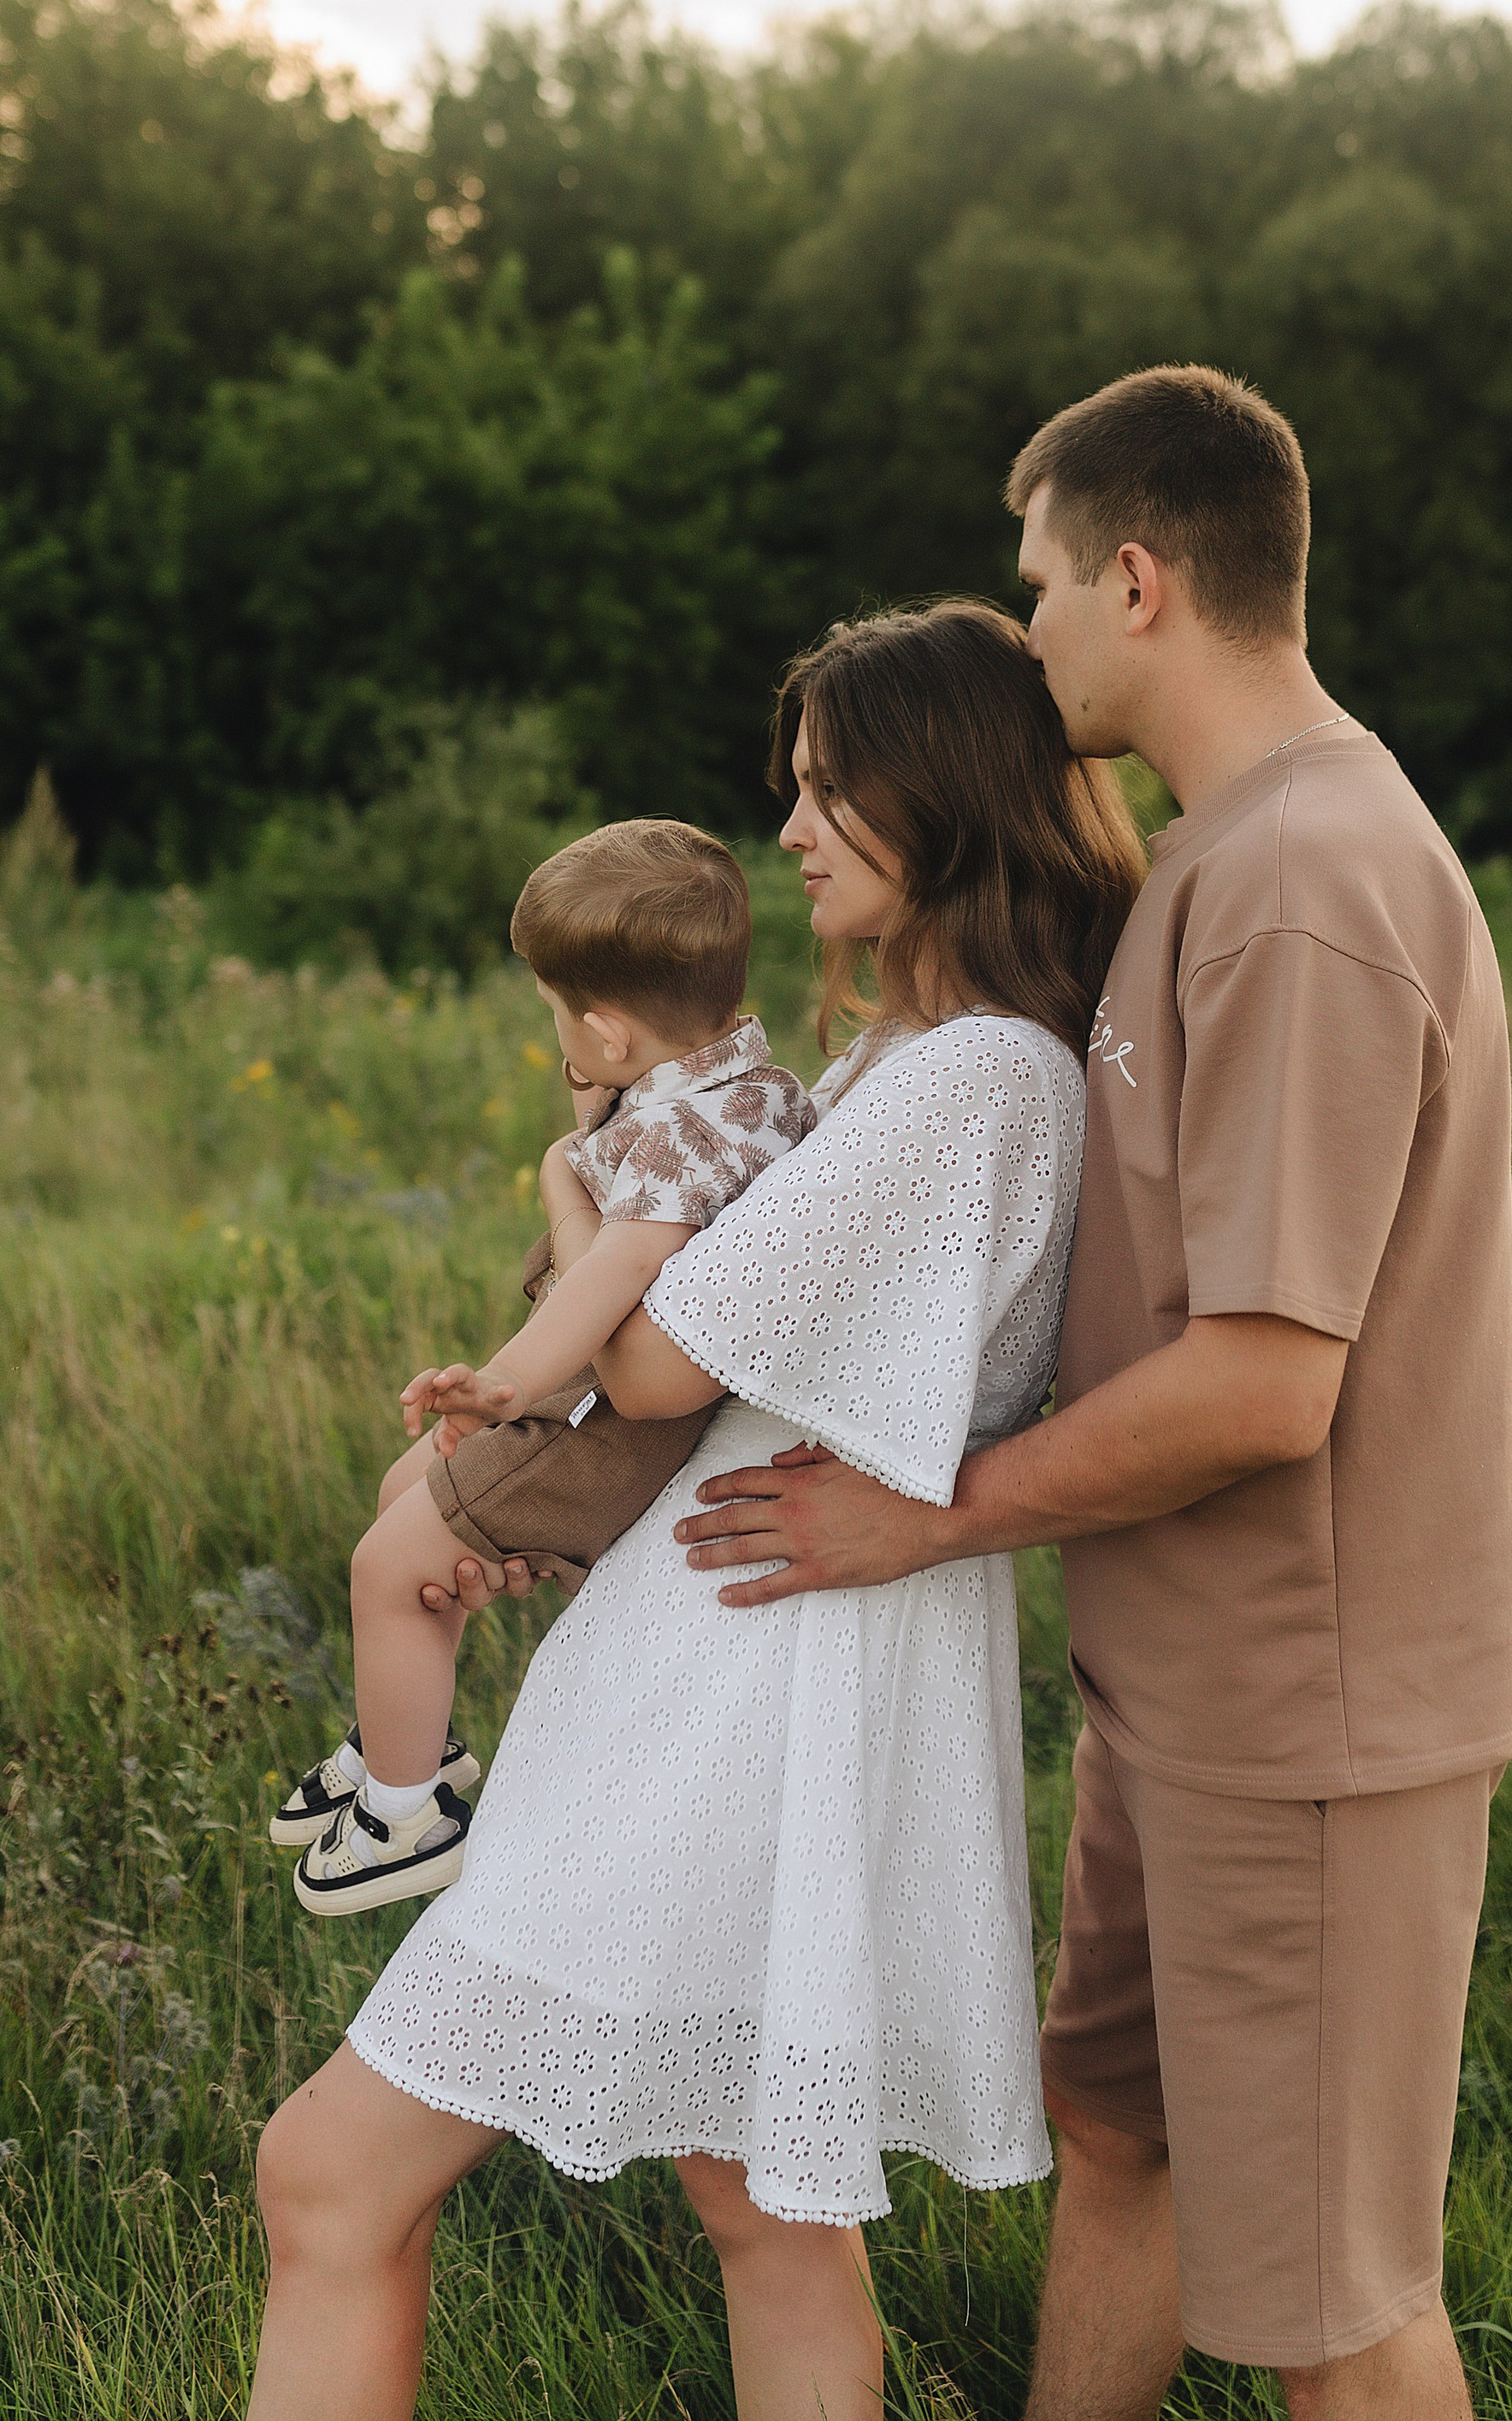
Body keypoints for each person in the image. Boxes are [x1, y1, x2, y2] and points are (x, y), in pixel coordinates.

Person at [679, 367, 1512, 2421]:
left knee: (1333, 2309)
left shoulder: (1305, 885)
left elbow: (1260, 1385)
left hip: (1308, 1719)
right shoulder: (1219, 859)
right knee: (1122, 2139)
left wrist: (927, 1506)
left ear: (1136, 578)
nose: (1027, 624)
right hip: (1189, 1691)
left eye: (1039, 578)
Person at [245, 600, 1144, 2421]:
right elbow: (738, 1368)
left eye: (828, 791)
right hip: (757, 1640)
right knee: (760, 2210)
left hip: (731, 1691)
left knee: (327, 2171)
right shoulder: (933, 1063)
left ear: (941, 801)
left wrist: (575, 1202)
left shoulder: (971, 1074)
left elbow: (658, 1365)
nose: (792, 830)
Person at [269, 816, 817, 1917]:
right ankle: (402, 1736)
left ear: (608, 1034)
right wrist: (591, 1122)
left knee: (386, 1568)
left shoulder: (676, 1144)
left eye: (559, 1013)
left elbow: (607, 1292)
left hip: (620, 1432)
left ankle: (404, 1816)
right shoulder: (751, 1089)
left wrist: (506, 1380)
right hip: (616, 1406)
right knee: (401, 1499)